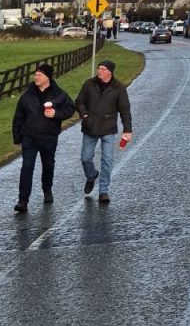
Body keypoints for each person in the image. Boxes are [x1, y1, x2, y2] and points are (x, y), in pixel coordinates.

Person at [11, 63, 76, 213]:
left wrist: (56, 115)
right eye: (35, 74)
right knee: (27, 167)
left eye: (40, 75)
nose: (36, 77)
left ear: (47, 77)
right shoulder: (27, 95)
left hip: (49, 136)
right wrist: (17, 138)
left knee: (48, 165)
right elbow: (18, 117)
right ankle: (23, 201)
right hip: (29, 137)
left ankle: (47, 189)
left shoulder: (58, 94)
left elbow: (70, 109)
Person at [75, 59, 132, 204]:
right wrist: (85, 115)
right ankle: (91, 176)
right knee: (85, 158)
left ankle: (104, 190)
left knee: (107, 159)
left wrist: (127, 130)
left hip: (108, 127)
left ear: (109, 72)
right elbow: (79, 102)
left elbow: (124, 109)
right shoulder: (89, 84)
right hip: (90, 126)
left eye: (102, 69)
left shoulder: (119, 87)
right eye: (99, 68)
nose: (99, 71)